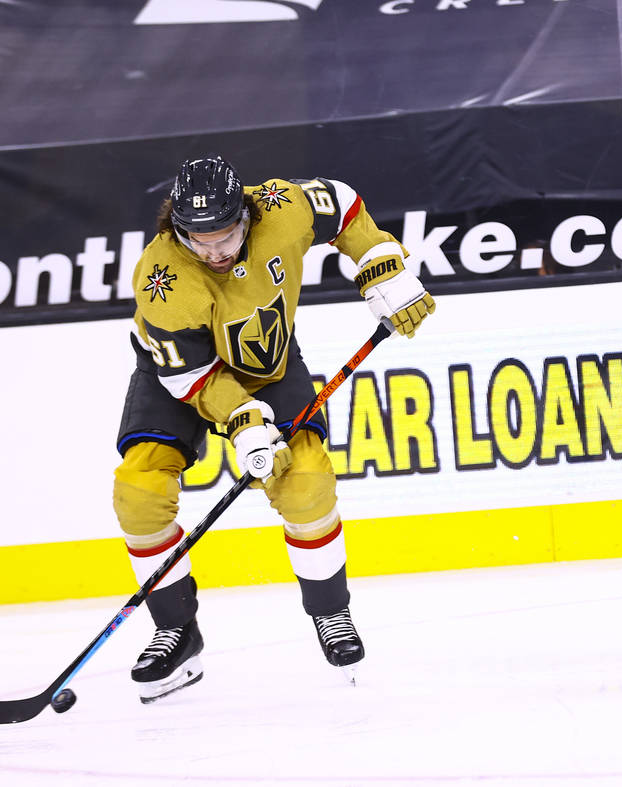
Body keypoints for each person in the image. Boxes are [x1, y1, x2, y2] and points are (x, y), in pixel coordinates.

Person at [114, 155, 436, 703]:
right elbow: (191, 377)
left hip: (269, 362)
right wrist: (245, 423)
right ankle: (176, 628)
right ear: (178, 229)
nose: (215, 251)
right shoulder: (160, 278)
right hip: (183, 377)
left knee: (306, 480)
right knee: (138, 491)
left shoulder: (280, 207)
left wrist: (381, 262)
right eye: (199, 240)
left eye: (226, 234)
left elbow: (342, 201)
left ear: (247, 213)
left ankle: (331, 614)